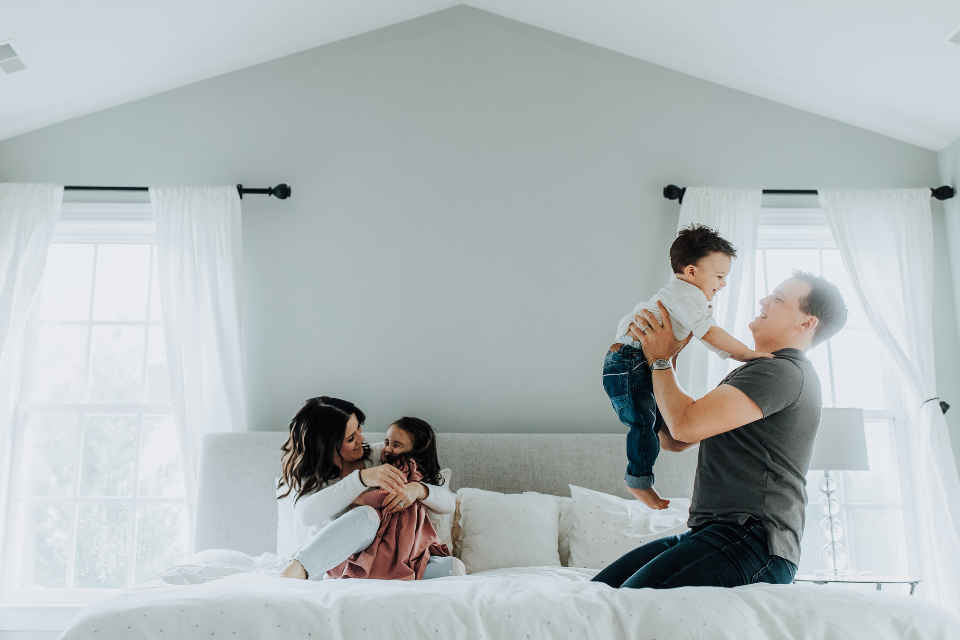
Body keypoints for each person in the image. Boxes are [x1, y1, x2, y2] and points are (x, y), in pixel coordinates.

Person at [593, 271, 847, 589]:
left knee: (621, 603)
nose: (764, 300)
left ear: (807, 323)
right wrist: (643, 375)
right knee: (597, 593)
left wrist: (661, 359)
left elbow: (685, 426)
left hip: (752, 541)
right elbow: (674, 438)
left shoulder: (780, 371)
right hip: (719, 535)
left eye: (778, 299)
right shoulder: (764, 371)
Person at [605, 224, 772, 509]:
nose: (723, 284)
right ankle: (638, 480)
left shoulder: (682, 297)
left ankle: (641, 474)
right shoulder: (687, 296)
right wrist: (745, 354)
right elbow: (709, 332)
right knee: (643, 425)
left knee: (655, 424)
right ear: (692, 272)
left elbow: (698, 337)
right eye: (719, 276)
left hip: (633, 362)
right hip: (630, 363)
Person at [276, 397, 460, 580]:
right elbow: (306, 515)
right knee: (367, 515)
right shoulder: (311, 475)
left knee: (454, 568)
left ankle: (366, 575)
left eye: (359, 429)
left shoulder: (384, 454)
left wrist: (418, 489)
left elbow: (449, 503)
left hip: (384, 558)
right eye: (350, 438)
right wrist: (360, 479)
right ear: (325, 446)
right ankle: (299, 569)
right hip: (329, 562)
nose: (361, 439)